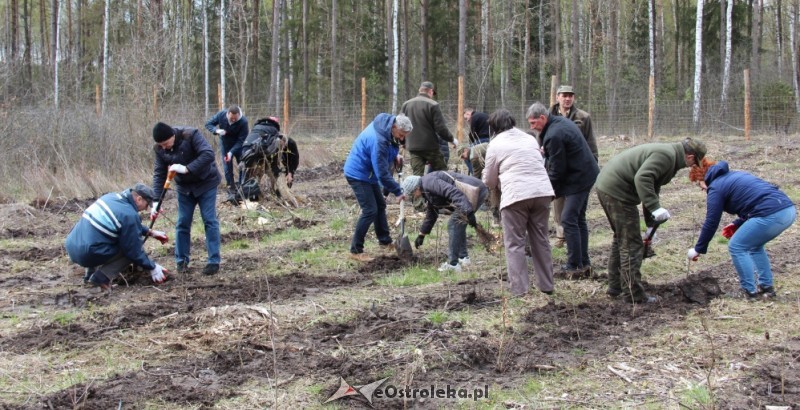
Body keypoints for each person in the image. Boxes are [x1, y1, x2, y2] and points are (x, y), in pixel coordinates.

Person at [594, 137, 706, 303]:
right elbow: (643, 179)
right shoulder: (666, 156)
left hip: (608, 186)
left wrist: (651, 223)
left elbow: (652, 188)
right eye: (694, 162)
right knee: (631, 244)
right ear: (690, 157)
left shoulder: (669, 155)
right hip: (617, 191)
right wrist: (655, 208)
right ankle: (634, 295)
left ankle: (615, 287)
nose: (692, 166)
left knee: (622, 238)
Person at [687, 159, 796, 299]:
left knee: (737, 246)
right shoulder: (734, 176)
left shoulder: (715, 187)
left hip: (771, 214)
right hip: (787, 210)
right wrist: (737, 223)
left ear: (703, 177)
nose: (701, 188)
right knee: (754, 246)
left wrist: (698, 249)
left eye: (698, 183)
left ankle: (749, 291)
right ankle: (766, 287)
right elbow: (753, 201)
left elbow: (711, 221)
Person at [482, 109, 555, 297]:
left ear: (494, 127)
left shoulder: (495, 144)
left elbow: (489, 180)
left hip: (515, 195)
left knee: (515, 243)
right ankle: (547, 285)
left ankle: (519, 290)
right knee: (541, 239)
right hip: (542, 192)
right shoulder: (529, 138)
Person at [527, 102, 599, 278]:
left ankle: (574, 265)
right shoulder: (558, 122)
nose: (532, 127)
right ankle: (583, 261)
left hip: (579, 178)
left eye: (533, 123)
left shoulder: (554, 134)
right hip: (586, 172)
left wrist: (548, 194)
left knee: (568, 219)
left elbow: (557, 171)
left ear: (543, 118)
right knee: (578, 219)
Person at [65, 184, 169, 290]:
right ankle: (101, 278)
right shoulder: (129, 215)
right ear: (139, 199)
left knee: (97, 236)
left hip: (72, 245)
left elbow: (122, 223)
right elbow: (133, 251)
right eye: (147, 205)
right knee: (129, 248)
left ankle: (88, 277)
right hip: (87, 253)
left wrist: (150, 232)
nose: (145, 209)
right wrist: (152, 267)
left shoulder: (110, 197)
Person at [151, 122, 222, 276]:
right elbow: (159, 174)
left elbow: (208, 154)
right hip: (184, 189)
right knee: (182, 222)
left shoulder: (190, 135)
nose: (164, 147)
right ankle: (181, 261)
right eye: (160, 145)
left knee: (209, 220)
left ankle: (213, 261)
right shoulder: (160, 149)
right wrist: (156, 200)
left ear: (172, 136)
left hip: (206, 183)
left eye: (165, 143)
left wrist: (186, 168)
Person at [343, 113, 411, 262]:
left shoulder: (386, 127)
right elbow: (382, 173)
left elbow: (390, 145)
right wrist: (397, 191)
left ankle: (384, 241)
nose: (401, 138)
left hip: (368, 173)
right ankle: (355, 250)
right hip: (358, 174)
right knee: (370, 210)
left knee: (380, 205)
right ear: (394, 127)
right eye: (400, 134)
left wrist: (394, 155)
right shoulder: (378, 140)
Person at [401, 171, 488, 272]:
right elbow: (432, 212)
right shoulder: (426, 189)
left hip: (475, 190)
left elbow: (452, 192)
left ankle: (453, 264)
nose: (414, 197)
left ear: (416, 189)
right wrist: (422, 234)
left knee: (454, 223)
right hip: (470, 193)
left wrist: (467, 211)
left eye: (412, 194)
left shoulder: (429, 183)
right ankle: (463, 257)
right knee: (459, 223)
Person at [548, 86, 599, 249]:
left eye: (570, 96)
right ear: (557, 97)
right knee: (558, 203)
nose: (567, 99)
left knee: (576, 210)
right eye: (564, 96)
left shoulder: (583, 117)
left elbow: (591, 144)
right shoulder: (548, 116)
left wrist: (593, 164)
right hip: (557, 167)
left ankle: (574, 238)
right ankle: (561, 235)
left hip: (578, 169)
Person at [401, 81, 456, 176]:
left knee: (417, 176)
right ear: (430, 91)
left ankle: (418, 190)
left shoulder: (406, 104)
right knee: (442, 173)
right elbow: (440, 128)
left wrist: (403, 143)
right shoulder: (433, 104)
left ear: (420, 90)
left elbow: (400, 125)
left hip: (413, 146)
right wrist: (451, 139)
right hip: (430, 147)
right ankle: (437, 190)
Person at [238, 116, 300, 201]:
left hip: (248, 152)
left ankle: (278, 193)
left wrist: (290, 173)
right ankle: (252, 197)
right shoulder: (273, 140)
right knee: (257, 174)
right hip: (257, 155)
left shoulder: (290, 144)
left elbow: (294, 160)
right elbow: (272, 160)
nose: (282, 146)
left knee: (276, 175)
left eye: (283, 145)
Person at [204, 105, 249, 201]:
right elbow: (208, 124)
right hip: (225, 144)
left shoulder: (243, 122)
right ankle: (231, 189)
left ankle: (241, 188)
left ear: (239, 115)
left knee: (242, 166)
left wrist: (231, 152)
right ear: (227, 114)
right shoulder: (221, 115)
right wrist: (216, 130)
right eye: (231, 118)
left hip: (238, 146)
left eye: (235, 119)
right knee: (227, 168)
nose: (233, 120)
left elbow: (242, 140)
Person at [462, 108, 491, 175]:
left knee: (465, 155)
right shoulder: (485, 115)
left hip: (481, 140)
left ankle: (474, 174)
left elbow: (472, 133)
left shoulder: (474, 117)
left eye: (466, 118)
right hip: (490, 140)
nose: (467, 120)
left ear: (468, 113)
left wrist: (470, 145)